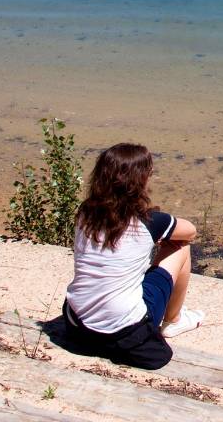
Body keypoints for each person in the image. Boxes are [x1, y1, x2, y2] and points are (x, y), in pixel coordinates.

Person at [62, 143, 204, 369]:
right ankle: (173, 321)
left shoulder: (85, 212)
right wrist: (160, 234)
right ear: (141, 179)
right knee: (181, 246)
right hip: (124, 330)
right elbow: (191, 230)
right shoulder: (149, 221)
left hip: (77, 323)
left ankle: (171, 319)